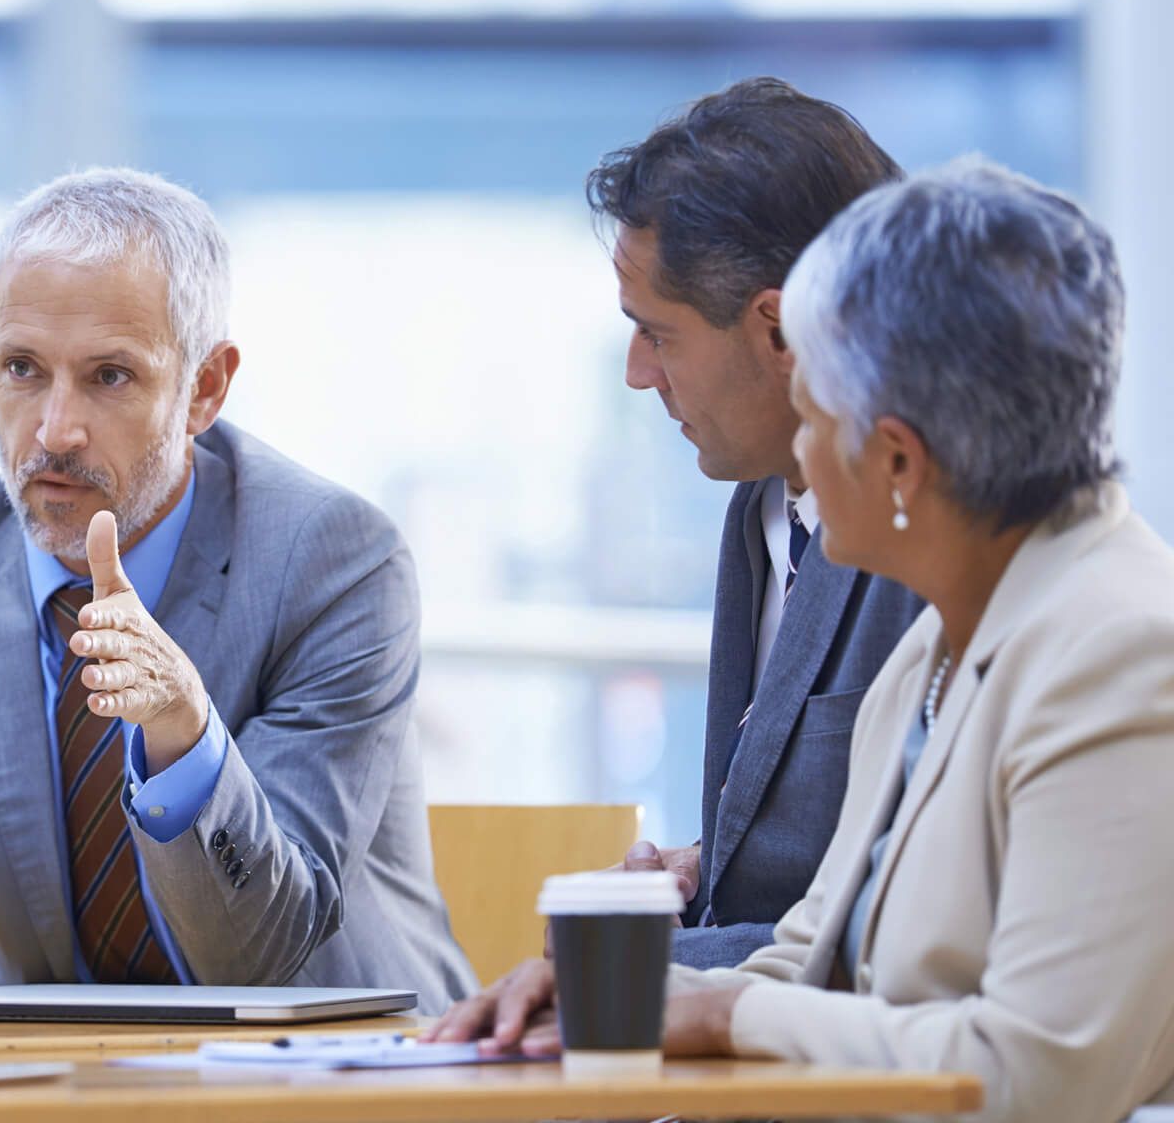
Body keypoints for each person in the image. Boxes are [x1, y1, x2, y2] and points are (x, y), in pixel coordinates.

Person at [434, 159, 1174, 1123]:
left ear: (900, 461)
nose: (799, 465)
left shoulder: (1121, 655)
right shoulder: (939, 650)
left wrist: (730, 1016)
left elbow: (1036, 1072)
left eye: (816, 418)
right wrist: (622, 999)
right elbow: (810, 959)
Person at [0, 168, 473, 1007]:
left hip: (349, 1071)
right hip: (68, 1078)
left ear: (206, 388)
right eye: (22, 369)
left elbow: (260, 947)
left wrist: (182, 732)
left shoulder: (335, 563)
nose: (54, 429)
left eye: (109, 376)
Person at [591, 77, 923, 968]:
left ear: (778, 331)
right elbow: (802, 870)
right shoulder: (760, 506)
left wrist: (659, 972)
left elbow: (926, 934)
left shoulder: (939, 542)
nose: (637, 373)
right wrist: (694, 887)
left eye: (656, 335)